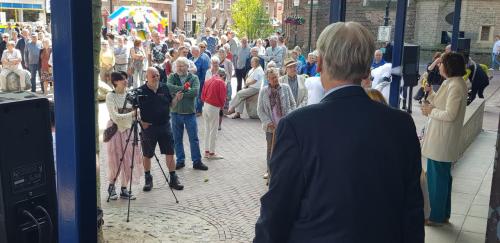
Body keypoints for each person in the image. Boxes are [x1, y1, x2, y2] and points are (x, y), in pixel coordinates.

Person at [254, 22, 424, 242]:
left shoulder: (297, 127)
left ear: (320, 63)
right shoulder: (401, 124)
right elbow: (412, 212)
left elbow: (276, 212)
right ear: (366, 69)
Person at [421, 52, 468, 226]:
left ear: (449, 66)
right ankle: (443, 213)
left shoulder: (455, 85)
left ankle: (435, 216)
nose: (439, 65)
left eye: (441, 63)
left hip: (442, 140)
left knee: (437, 179)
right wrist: (431, 93)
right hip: (441, 138)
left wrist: (430, 112)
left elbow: (450, 114)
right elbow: (441, 104)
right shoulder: (451, 83)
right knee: (442, 177)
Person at [137, 67, 184, 191]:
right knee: (147, 154)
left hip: (165, 126)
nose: (156, 77)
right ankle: (148, 179)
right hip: (149, 128)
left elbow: (171, 105)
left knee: (170, 152)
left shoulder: (164, 87)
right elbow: (134, 110)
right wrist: (141, 122)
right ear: (146, 77)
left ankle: (173, 178)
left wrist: (176, 100)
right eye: (153, 76)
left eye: (157, 75)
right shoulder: (140, 91)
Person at [105, 71, 144, 200]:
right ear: (115, 81)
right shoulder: (110, 96)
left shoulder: (130, 95)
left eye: (126, 79)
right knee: (115, 160)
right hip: (116, 131)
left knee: (129, 160)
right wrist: (131, 114)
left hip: (129, 130)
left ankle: (124, 189)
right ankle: (111, 186)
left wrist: (135, 115)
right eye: (123, 79)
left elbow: (138, 113)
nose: (126, 81)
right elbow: (115, 117)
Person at [167, 57, 209, 171]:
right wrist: (184, 89)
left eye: (182, 66)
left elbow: (195, 92)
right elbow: (169, 88)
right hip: (175, 113)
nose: (180, 68)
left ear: (187, 67)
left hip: (189, 113)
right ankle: (180, 161)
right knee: (177, 139)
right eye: (178, 66)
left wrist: (180, 93)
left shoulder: (193, 77)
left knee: (193, 139)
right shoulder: (172, 76)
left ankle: (197, 161)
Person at [256, 67, 296, 179]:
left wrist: (289, 118)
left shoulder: (286, 88)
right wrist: (268, 123)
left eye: (276, 77)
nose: (275, 80)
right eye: (272, 78)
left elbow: (293, 104)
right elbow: (260, 110)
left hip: (285, 126)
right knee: (271, 150)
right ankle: (269, 171)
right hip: (271, 127)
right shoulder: (264, 91)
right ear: (268, 79)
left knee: (285, 149)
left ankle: (283, 171)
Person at [201, 68, 227, 160]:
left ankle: (206, 151)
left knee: (207, 129)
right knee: (214, 130)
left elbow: (203, 94)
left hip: (205, 105)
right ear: (223, 76)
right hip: (214, 107)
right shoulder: (221, 82)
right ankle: (212, 153)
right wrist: (222, 106)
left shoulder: (208, 80)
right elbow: (222, 97)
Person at [191, 46, 210, 115]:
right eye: (192, 51)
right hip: (191, 81)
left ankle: (199, 110)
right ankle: (194, 108)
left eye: (195, 51)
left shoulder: (203, 60)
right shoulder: (190, 59)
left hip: (200, 80)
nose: (193, 53)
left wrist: (202, 81)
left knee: (199, 95)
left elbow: (204, 72)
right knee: (193, 95)